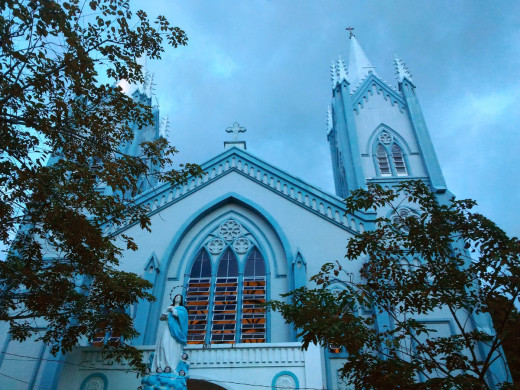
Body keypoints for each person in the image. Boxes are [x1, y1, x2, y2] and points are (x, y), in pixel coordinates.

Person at [151, 294, 188, 373]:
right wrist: (167, 310)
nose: (178, 298)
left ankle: (171, 364)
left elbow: (182, 317)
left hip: (175, 330)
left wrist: (173, 310)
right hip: (167, 328)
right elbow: (162, 318)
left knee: (172, 346)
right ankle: (162, 365)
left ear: (181, 300)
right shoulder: (169, 307)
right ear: (174, 299)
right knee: (163, 345)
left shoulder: (182, 309)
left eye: (179, 298)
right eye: (176, 297)